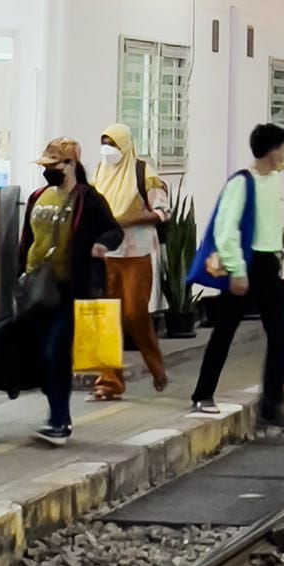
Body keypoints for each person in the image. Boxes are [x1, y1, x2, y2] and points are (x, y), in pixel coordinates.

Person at [189, 124, 284, 421]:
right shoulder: (241, 182)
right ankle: (202, 394)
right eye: (282, 148)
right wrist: (237, 270)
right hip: (246, 265)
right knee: (225, 329)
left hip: (268, 266)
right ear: (271, 150)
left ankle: (272, 404)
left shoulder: (274, 181)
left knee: (280, 333)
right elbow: (225, 230)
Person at [18, 139, 122, 446]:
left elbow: (114, 230)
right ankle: (57, 416)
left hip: (69, 289)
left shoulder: (87, 199)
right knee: (43, 354)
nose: (49, 171)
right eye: (45, 167)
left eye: (55, 166)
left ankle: (59, 421)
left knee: (56, 352)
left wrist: (101, 244)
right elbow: (27, 241)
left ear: (71, 165)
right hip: (38, 289)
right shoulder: (38, 197)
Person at [90, 125, 169, 400]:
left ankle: (156, 367)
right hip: (106, 254)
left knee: (134, 314)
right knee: (107, 318)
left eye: (112, 144)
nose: (107, 150)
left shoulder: (143, 173)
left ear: (124, 145)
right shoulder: (100, 171)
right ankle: (108, 382)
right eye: (104, 143)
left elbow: (162, 212)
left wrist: (127, 219)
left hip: (136, 254)